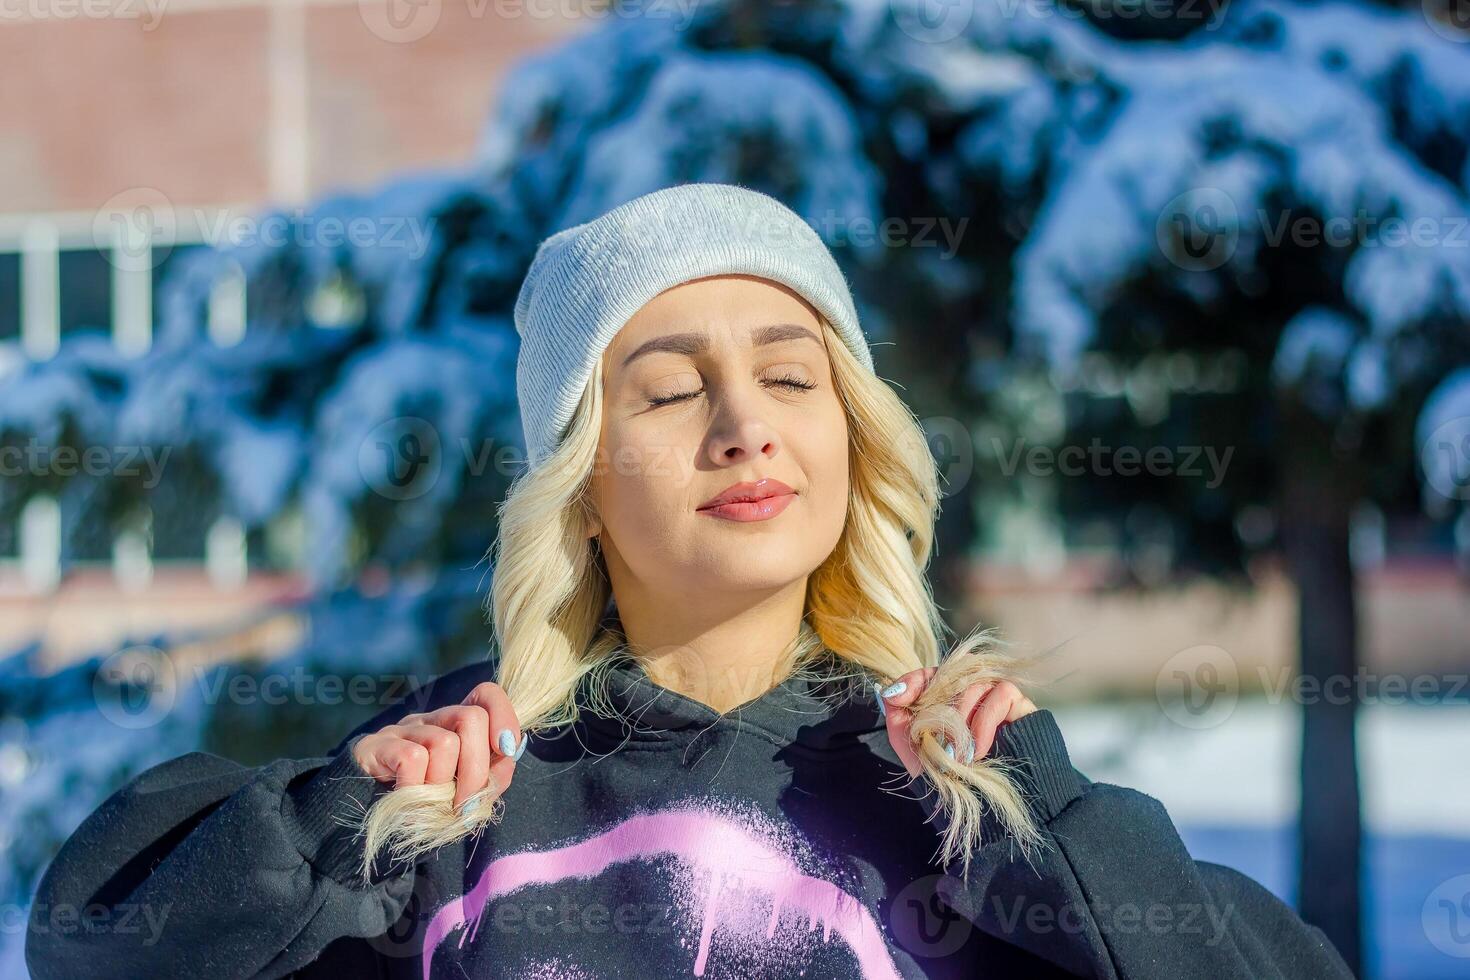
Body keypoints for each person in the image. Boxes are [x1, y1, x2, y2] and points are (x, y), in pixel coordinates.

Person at [25, 182, 1354, 979]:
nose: (743, 425)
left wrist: (1055, 826)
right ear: (581, 486)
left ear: (854, 440)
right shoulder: (453, 780)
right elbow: (91, 947)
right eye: (665, 392)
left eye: (790, 376)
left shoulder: (975, 795)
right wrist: (325, 816)